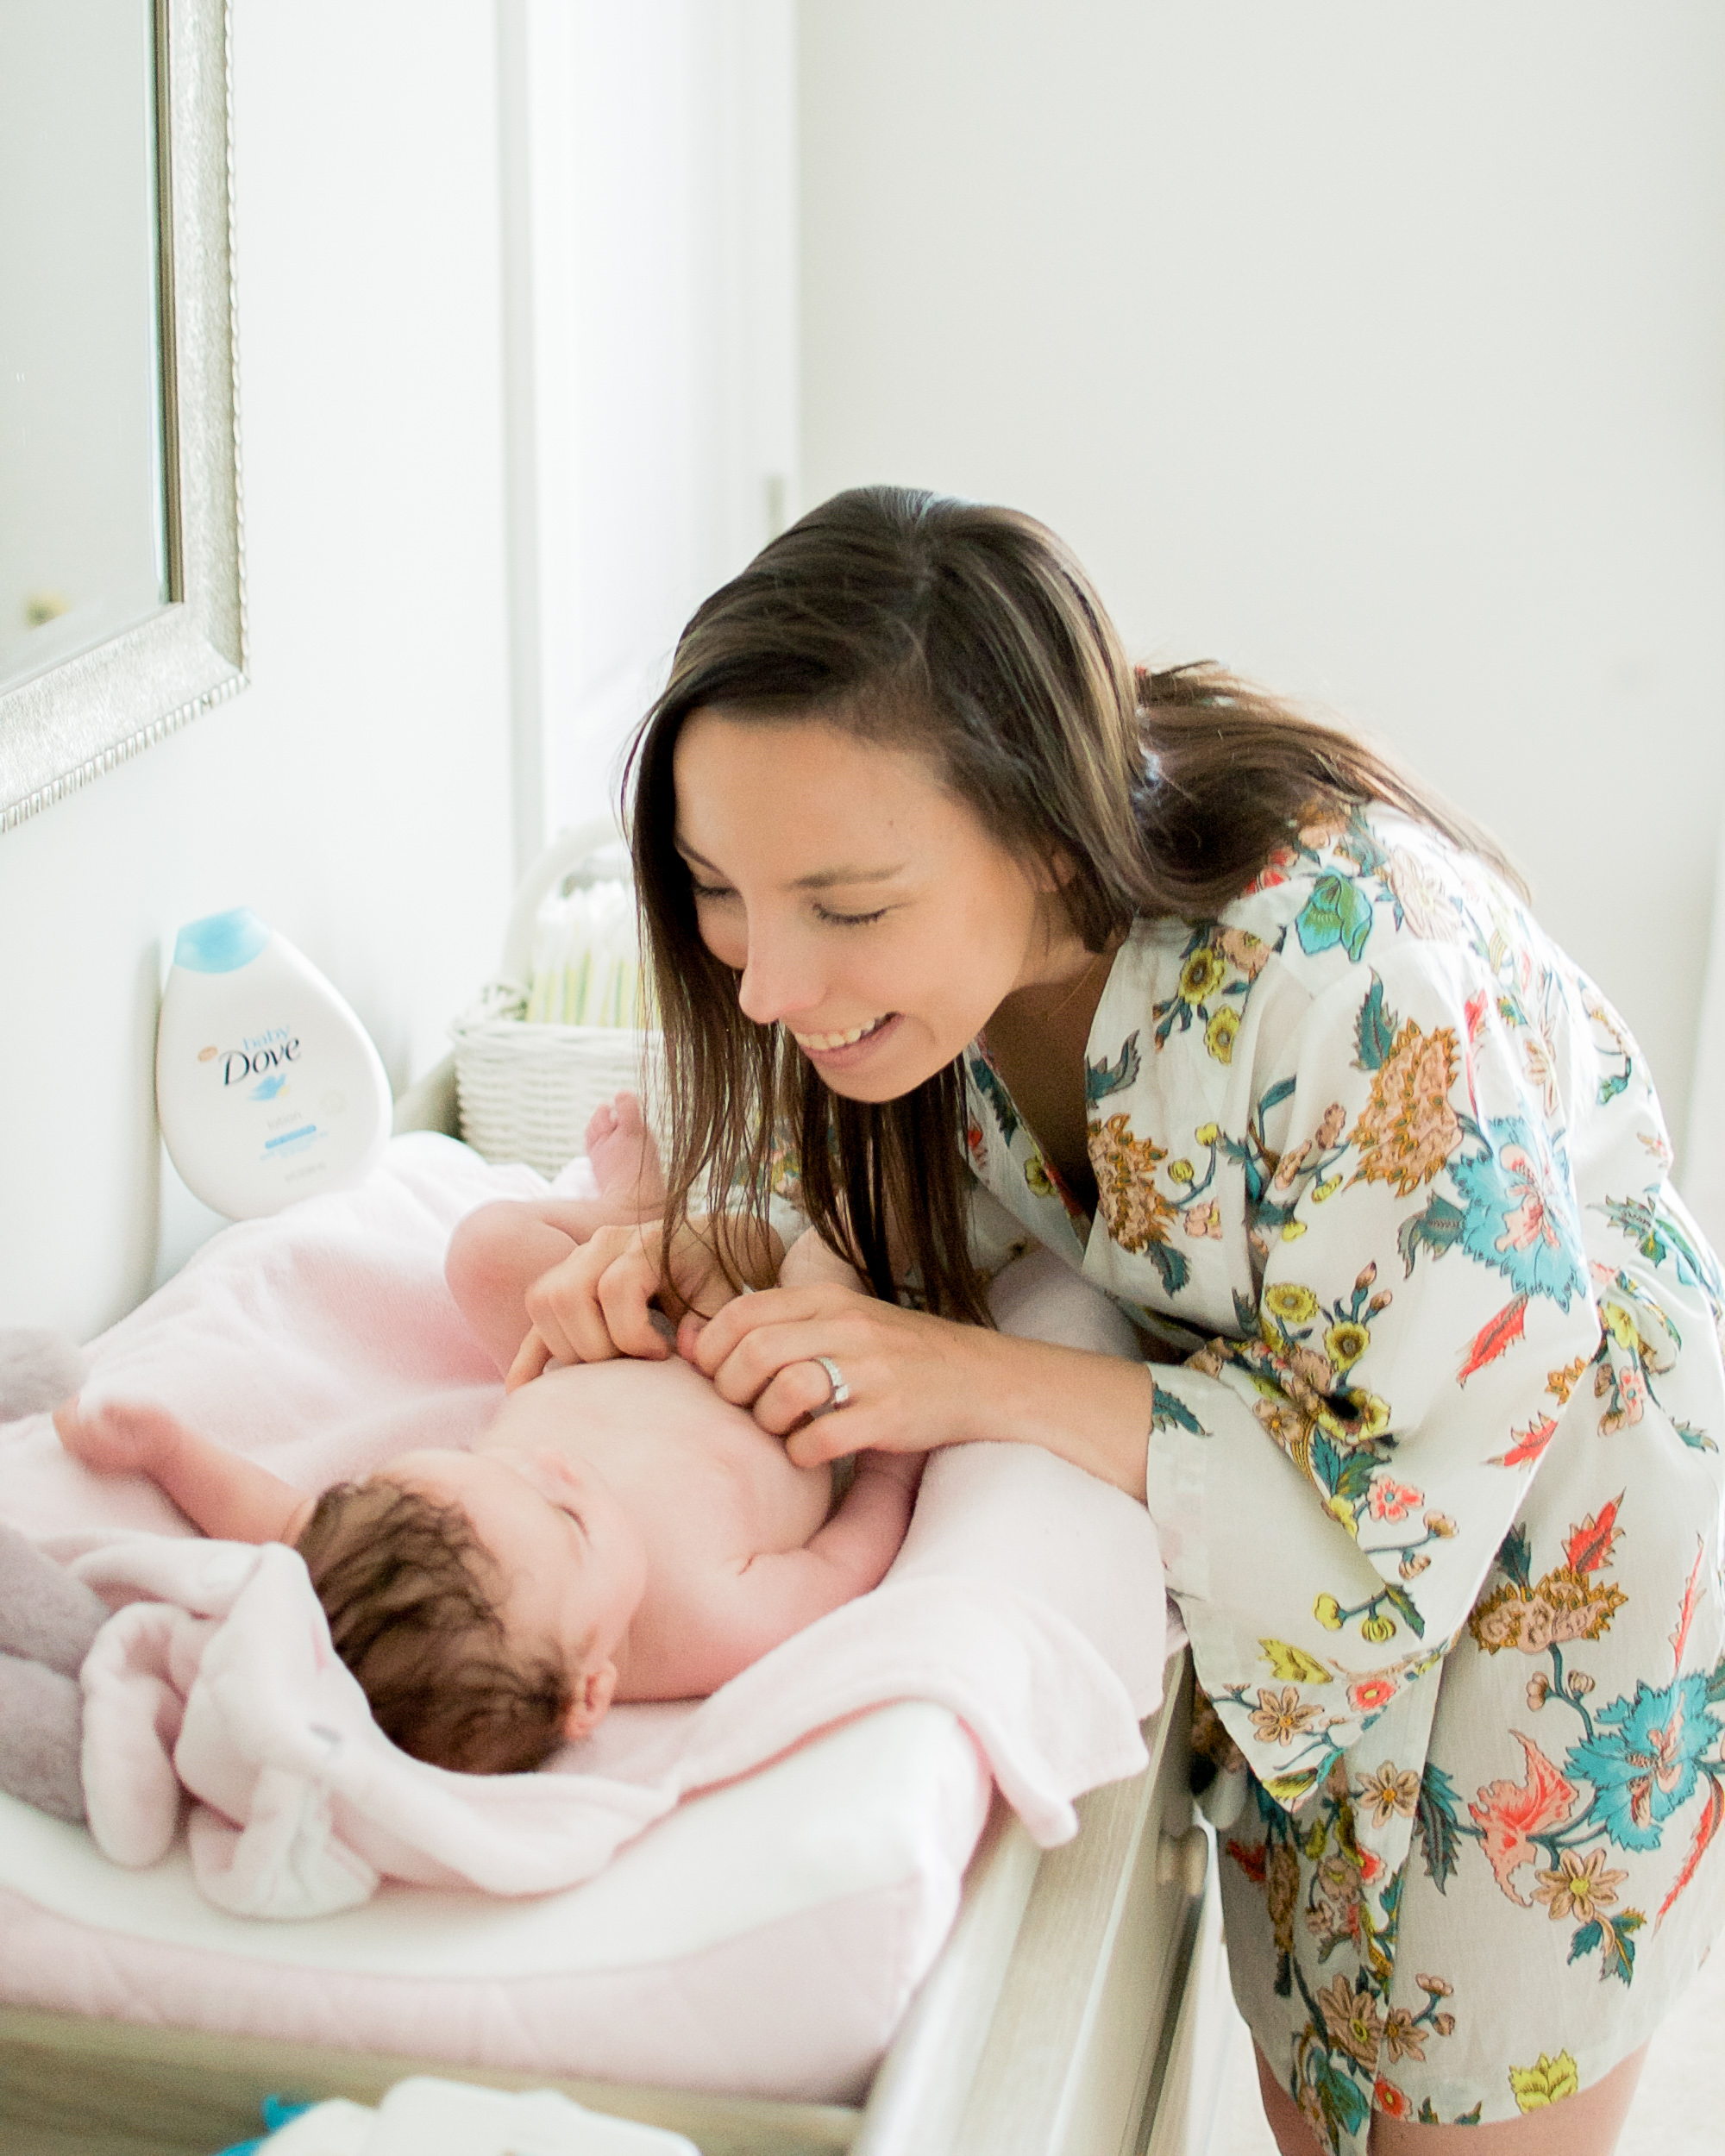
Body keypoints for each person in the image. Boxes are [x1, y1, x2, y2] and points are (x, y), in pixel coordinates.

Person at [510, 486, 1725, 2156]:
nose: (767, 986)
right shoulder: (905, 980)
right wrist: (700, 1241)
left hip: (1546, 1509)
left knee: (1459, 2106)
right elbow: (932, 1222)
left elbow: (1427, 1463)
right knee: (1321, 2072)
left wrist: (968, 1379)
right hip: (1292, 1511)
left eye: (842, 908)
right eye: (720, 889)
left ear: (1052, 836)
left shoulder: (1341, 982)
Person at [56, 1095, 918, 1776]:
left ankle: (633, 1213)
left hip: (595, 1332)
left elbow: (283, 1525)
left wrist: (168, 1451)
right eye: (572, 1522)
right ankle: (785, 1232)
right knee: (822, 1261)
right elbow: (847, 1559)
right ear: (590, 1690)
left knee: (486, 1249)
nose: (558, 1468)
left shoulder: (437, 1552)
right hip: (761, 1346)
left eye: (489, 1464)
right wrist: (893, 1456)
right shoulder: (712, 1623)